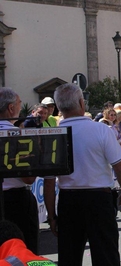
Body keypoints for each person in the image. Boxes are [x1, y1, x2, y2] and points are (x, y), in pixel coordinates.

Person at [44, 83, 121, 266]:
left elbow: (49, 182)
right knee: (106, 256)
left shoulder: (52, 134)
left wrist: (51, 216)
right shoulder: (101, 130)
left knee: (69, 256)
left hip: (69, 200)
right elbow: (120, 167)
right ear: (81, 103)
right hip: (99, 198)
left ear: (59, 108)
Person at [0, 87, 39, 254]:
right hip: (15, 200)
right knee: (24, 250)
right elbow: (28, 178)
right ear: (11, 108)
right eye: (19, 103)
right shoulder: (20, 134)